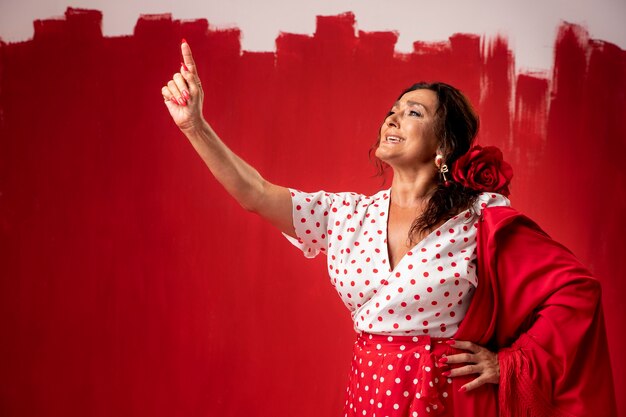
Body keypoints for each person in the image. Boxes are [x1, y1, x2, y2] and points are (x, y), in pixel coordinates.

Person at [161, 40, 617, 416]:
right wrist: (195, 126)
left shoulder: (479, 218)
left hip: (447, 401)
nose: (393, 118)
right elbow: (255, 193)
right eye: (393, 110)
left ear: (445, 142)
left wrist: (512, 363)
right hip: (368, 398)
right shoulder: (346, 215)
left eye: (414, 112)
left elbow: (578, 290)